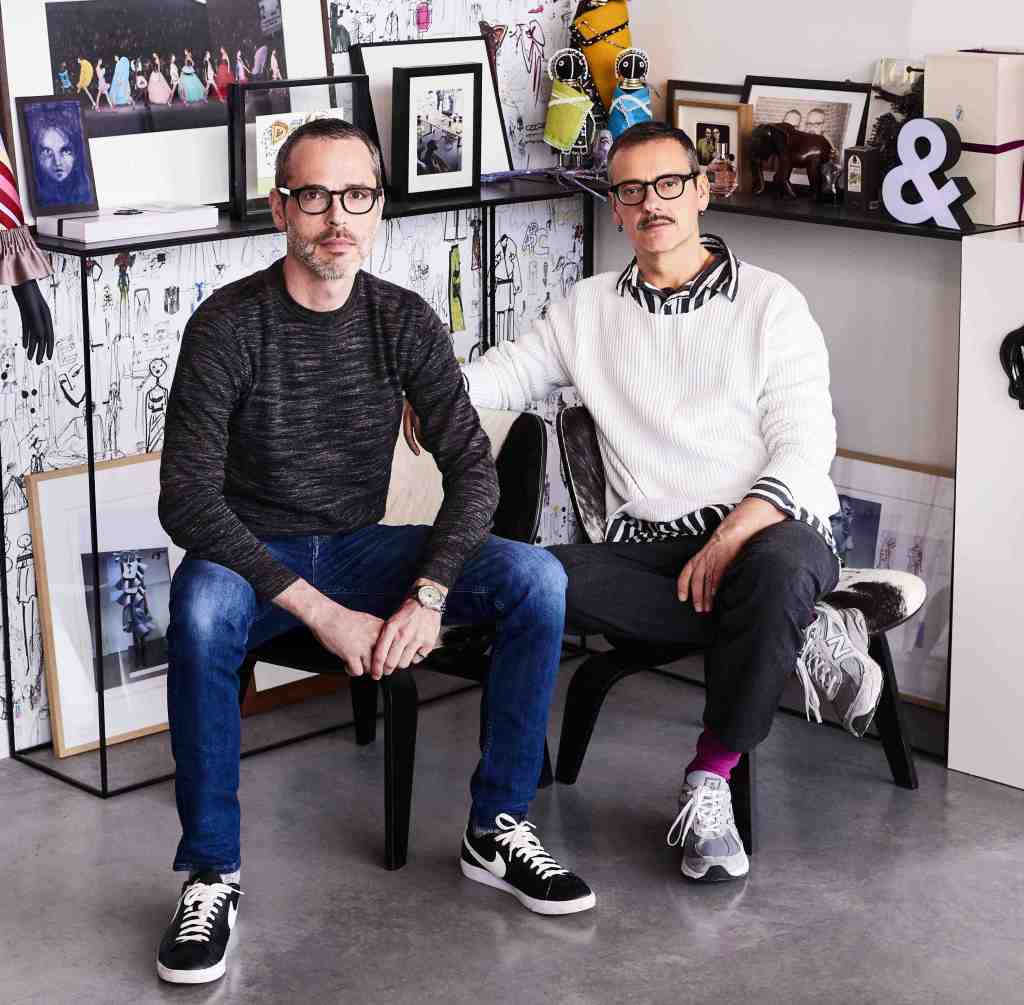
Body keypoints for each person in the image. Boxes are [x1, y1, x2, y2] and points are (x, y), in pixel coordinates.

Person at [155, 118, 595, 986]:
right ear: (281, 207)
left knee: (537, 578)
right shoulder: (227, 325)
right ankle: (211, 873)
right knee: (200, 609)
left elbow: (474, 472)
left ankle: (496, 827)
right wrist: (320, 612)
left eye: (356, 195)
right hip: (253, 559)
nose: (337, 218)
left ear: (379, 207)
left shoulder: (401, 320)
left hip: (362, 546)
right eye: (315, 196)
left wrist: (430, 591)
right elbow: (187, 499)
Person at [405, 121, 883, 885]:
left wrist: (730, 536)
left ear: (701, 192)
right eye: (631, 191)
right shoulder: (589, 308)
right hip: (649, 548)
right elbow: (512, 372)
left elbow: (805, 444)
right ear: (617, 209)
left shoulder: (770, 304)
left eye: (668, 184)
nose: (651, 203)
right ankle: (798, 625)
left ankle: (710, 774)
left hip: (771, 526)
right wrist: (435, 393)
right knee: (525, 578)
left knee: (776, 569)